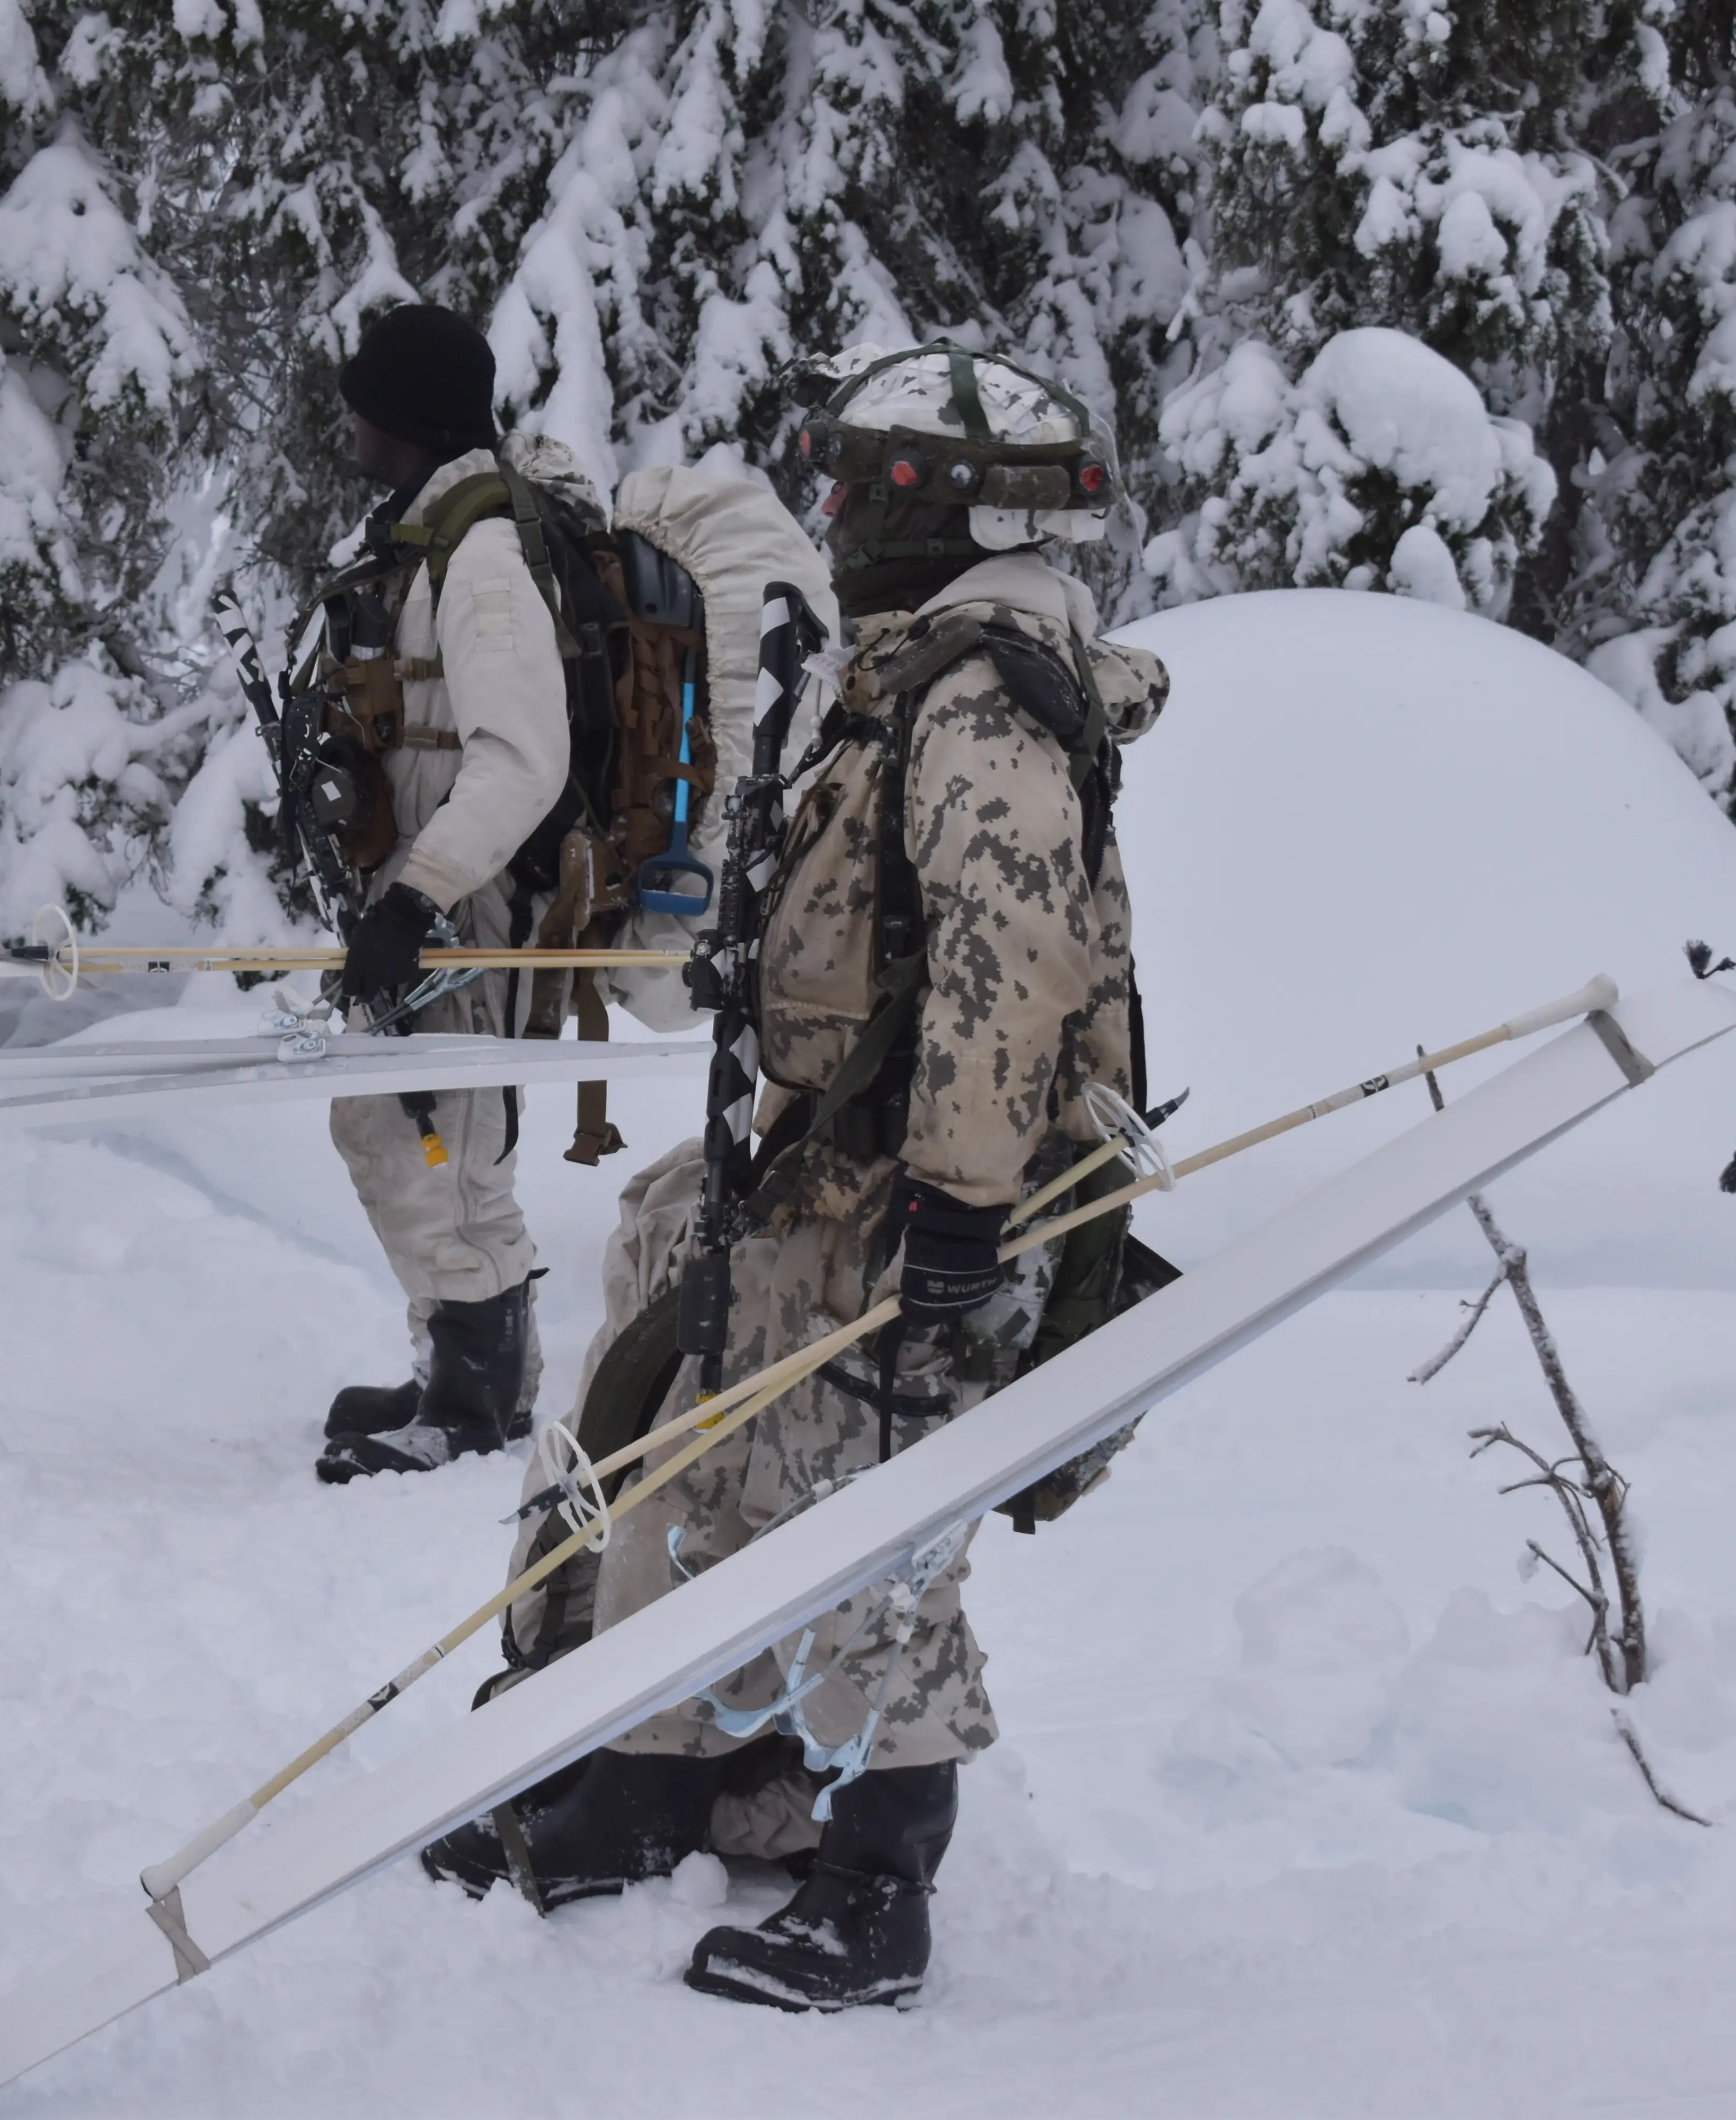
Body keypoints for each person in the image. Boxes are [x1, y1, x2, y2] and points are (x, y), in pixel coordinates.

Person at [421, 342, 1167, 2010]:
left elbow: (1012, 952)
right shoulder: (922, 672)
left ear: (939, 509)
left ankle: (881, 1872)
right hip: (825, 1162)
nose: (831, 515)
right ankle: (659, 1778)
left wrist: (961, 1203)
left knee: (870, 1503)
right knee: (710, 1456)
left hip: (923, 1186)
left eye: (860, 488)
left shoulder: (984, 696)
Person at [308, 306, 589, 1483]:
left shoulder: (480, 559)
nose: (350, 422)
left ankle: (477, 1402)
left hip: (463, 907)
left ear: (413, 418)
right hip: (428, 893)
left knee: (440, 1141)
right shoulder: (430, 538)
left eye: (366, 404)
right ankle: (458, 1364)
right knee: (399, 1126)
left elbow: (522, 759)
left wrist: (413, 903)